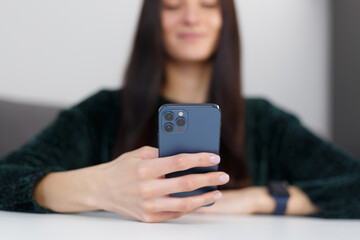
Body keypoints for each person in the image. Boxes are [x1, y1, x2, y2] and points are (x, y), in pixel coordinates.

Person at [0, 0, 359, 223]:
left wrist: (255, 199)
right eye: (172, 5)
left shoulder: (265, 121)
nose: (190, 17)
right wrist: (99, 187)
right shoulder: (103, 112)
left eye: (208, 4)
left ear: (226, 20)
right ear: (152, 20)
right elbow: (6, 177)